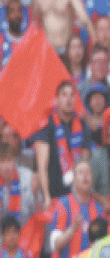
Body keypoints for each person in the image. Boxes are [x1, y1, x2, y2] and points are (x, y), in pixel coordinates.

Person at [41, 159, 104, 258]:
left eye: (88, 173)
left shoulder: (98, 208)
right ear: (74, 179)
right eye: (80, 173)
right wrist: (73, 228)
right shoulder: (63, 204)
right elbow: (54, 245)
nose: (85, 177)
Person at [32, 80, 92, 209]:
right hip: (53, 193)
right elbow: (42, 166)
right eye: (64, 95)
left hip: (76, 194)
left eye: (72, 95)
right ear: (57, 99)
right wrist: (46, 197)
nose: (68, 99)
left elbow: (85, 162)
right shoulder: (46, 124)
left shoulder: (82, 124)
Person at [0, 142, 37, 226]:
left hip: (27, 231)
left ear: (15, 160)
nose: (7, 167)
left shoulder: (28, 176)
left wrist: (35, 195)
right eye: (2, 162)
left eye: (9, 160)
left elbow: (38, 212)